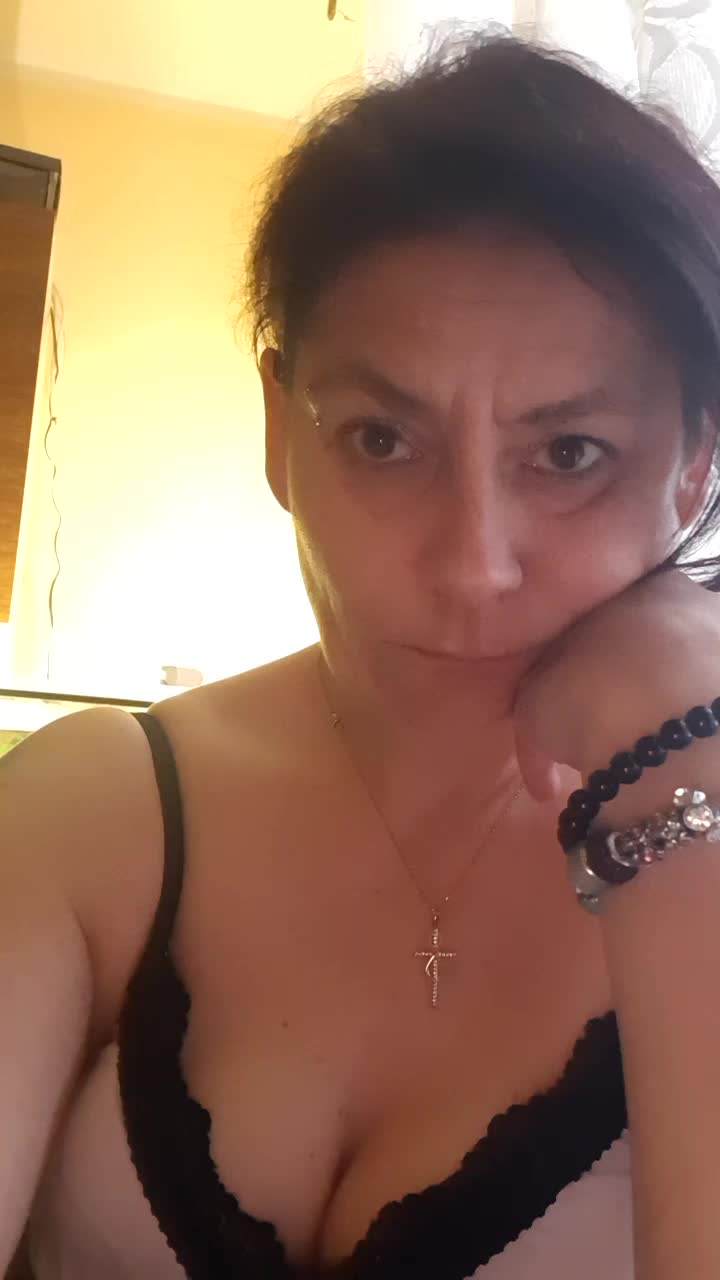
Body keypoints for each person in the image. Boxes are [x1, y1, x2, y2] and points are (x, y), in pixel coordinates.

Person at [4, 29, 720, 1280]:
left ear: (694, 471)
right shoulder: (92, 807)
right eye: (384, 439)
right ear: (281, 430)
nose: (472, 562)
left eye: (571, 454)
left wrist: (683, 745)